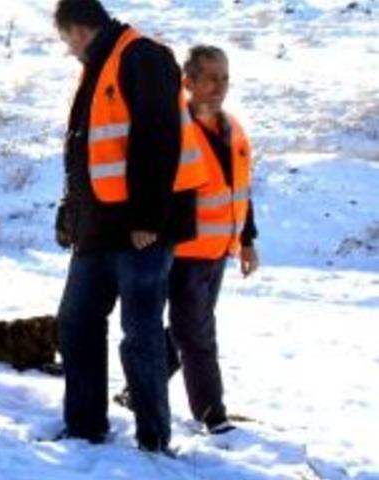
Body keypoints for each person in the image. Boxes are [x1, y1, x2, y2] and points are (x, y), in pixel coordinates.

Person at [52, 0, 207, 454]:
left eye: (66, 40)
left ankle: (153, 439)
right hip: (99, 226)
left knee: (140, 333)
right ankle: (84, 426)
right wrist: (72, 211)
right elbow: (91, 149)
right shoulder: (100, 64)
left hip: (141, 230)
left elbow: (159, 139)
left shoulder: (141, 56)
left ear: (78, 30)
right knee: (76, 322)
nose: (67, 50)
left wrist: (147, 219)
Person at [114, 45, 260, 435]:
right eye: (211, 78)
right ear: (188, 81)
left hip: (217, 252)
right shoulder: (175, 128)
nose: (220, 86)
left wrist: (247, 239)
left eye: (225, 77)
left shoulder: (234, 128)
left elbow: (241, 189)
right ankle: (213, 414)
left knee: (187, 328)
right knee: (195, 332)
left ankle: (138, 390)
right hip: (181, 250)